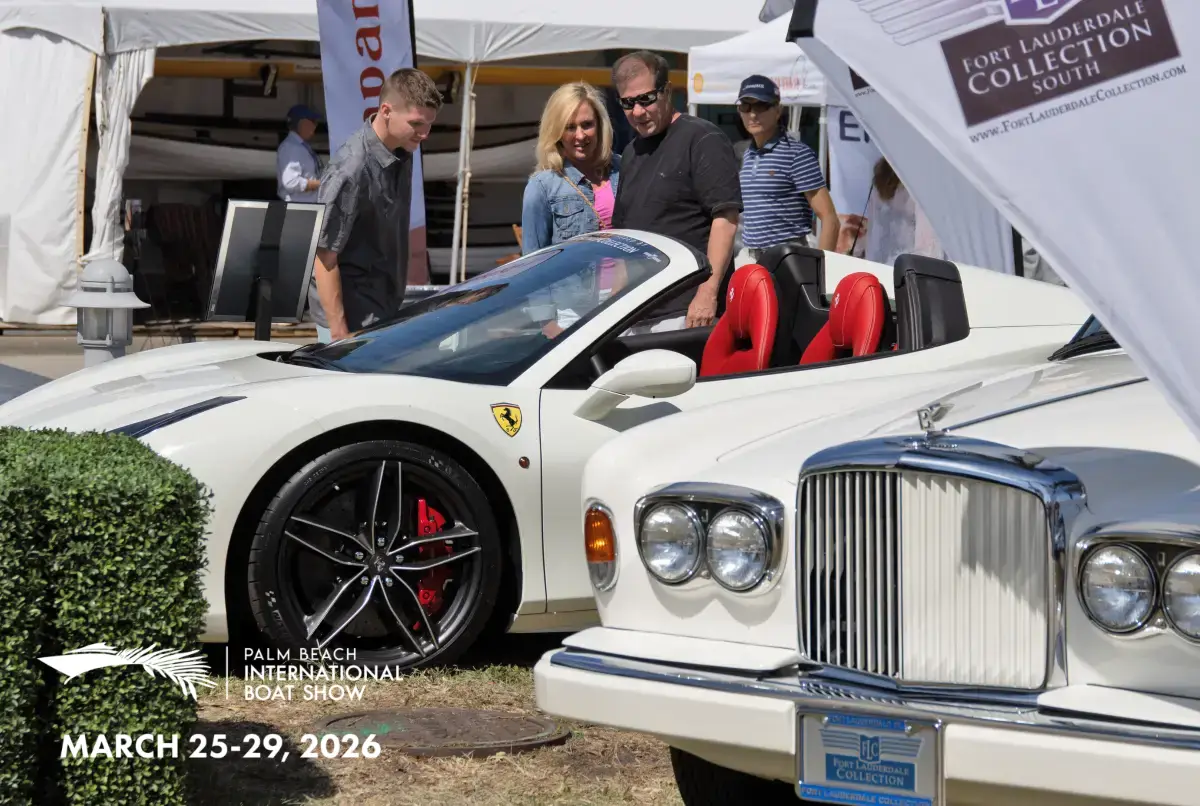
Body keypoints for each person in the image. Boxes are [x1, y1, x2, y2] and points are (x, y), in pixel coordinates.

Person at [609, 50, 742, 331]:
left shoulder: (703, 138)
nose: (638, 112)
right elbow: (625, 237)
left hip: (689, 311)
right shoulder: (631, 152)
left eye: (646, 99)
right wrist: (614, 307)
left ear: (667, 91)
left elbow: (725, 221)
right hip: (639, 312)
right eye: (628, 103)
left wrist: (707, 292)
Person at [309, 68, 443, 343]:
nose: (425, 134)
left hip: (382, 310)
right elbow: (324, 258)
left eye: (430, 125)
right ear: (386, 111)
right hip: (350, 323)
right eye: (417, 123)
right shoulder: (350, 170)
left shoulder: (402, 150)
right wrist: (339, 334)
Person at [736, 75, 839, 265]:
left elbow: (829, 218)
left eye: (761, 106)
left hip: (788, 258)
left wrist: (821, 269)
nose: (752, 114)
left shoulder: (797, 154)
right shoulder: (747, 155)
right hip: (749, 257)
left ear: (777, 110)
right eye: (745, 106)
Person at [521, 81, 621, 253]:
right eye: (570, 127)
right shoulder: (542, 187)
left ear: (599, 125)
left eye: (587, 124)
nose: (580, 135)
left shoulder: (624, 168)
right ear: (557, 132)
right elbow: (532, 263)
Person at [863, 158, 945, 267]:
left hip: (911, 268)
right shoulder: (881, 175)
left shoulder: (925, 182)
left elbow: (929, 253)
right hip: (897, 267)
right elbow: (874, 239)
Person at [276, 104, 324, 203]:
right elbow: (291, 182)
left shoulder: (300, 146)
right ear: (302, 123)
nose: (315, 126)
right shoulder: (291, 147)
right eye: (313, 122)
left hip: (306, 206)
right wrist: (321, 184)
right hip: (299, 208)